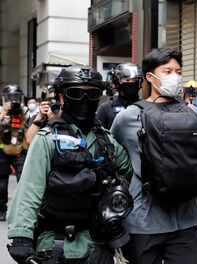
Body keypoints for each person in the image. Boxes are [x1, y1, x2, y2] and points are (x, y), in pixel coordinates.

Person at [7, 65, 133, 263]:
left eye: (92, 93)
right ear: (62, 97)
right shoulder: (47, 140)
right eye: (75, 93)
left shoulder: (107, 140)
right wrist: (21, 237)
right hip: (56, 245)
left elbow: (130, 172)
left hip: (98, 245)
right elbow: (29, 189)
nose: (84, 100)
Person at [111, 48, 197, 264]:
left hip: (186, 219)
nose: (175, 76)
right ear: (150, 77)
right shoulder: (127, 117)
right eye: (168, 71)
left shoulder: (195, 114)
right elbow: (114, 155)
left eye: (178, 71)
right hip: (144, 220)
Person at [0, 84, 28, 221]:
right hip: (3, 151)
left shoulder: (25, 111)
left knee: (23, 182)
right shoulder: (1, 112)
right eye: (9, 98)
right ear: (3, 99)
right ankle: (2, 210)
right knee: (1, 184)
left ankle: (22, 211)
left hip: (20, 151)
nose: (12, 100)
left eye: (15, 97)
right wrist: (4, 112)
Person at [96, 62, 143, 129]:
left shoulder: (146, 107)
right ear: (117, 82)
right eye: (127, 80)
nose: (131, 83)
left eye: (135, 80)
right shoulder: (106, 108)